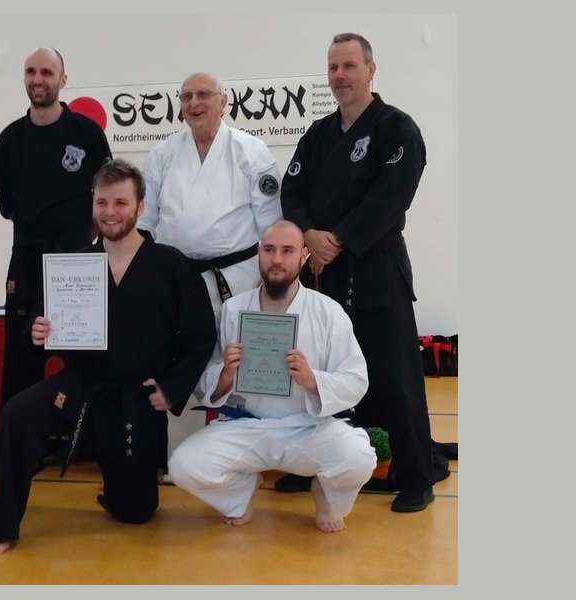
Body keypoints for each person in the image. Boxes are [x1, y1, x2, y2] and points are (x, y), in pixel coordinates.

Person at [0, 159, 216, 554]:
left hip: (136, 394)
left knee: (136, 511)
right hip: (82, 383)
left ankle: (116, 481)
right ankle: (3, 527)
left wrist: (171, 389)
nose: (110, 212)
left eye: (120, 202)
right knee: (18, 414)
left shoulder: (171, 265)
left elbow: (200, 335)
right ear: (92, 204)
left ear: (140, 206)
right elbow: (47, 321)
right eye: (102, 202)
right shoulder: (74, 263)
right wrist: (39, 329)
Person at [280, 33, 437, 512]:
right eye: (333, 68)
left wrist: (339, 238)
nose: (340, 76)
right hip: (323, 276)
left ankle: (416, 476)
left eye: (349, 66)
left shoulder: (397, 128)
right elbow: (292, 188)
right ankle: (316, 464)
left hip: (377, 270)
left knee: (395, 377)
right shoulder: (318, 134)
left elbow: (392, 196)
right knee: (322, 376)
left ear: (371, 69)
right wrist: (307, 234)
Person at [169, 221, 375, 532]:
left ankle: (327, 495)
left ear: (304, 256)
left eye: (287, 251)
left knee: (358, 457)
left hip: (308, 428)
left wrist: (313, 380)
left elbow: (357, 379)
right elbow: (204, 382)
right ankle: (240, 494)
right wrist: (225, 375)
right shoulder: (232, 310)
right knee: (184, 465)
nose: (276, 259)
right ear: (258, 254)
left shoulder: (327, 312)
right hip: (245, 425)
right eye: (269, 250)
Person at [138, 72, 284, 462]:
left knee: (242, 363)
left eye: (204, 95)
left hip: (238, 277)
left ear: (224, 101)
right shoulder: (164, 154)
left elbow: (271, 225)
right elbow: (144, 223)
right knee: (180, 363)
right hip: (178, 279)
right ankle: (180, 458)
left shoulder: (250, 151)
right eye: (186, 96)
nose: (194, 103)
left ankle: (249, 456)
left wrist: (275, 282)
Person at [0, 47, 112, 409]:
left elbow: (105, 199)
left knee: (84, 355)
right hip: (26, 262)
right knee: (20, 358)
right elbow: (9, 208)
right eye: (31, 72)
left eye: (47, 72)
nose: (38, 79)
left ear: (63, 78)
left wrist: (82, 247)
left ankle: (86, 443)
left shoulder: (87, 135)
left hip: (78, 262)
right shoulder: (7, 143)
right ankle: (18, 452)